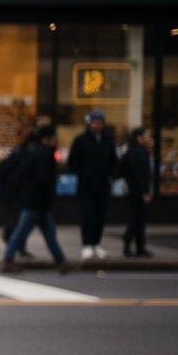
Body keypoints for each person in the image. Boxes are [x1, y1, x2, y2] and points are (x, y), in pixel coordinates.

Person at [0, 126, 67, 272]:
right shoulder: (44, 154)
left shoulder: (33, 152)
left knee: (48, 233)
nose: (56, 141)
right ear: (46, 139)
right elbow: (43, 180)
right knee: (23, 232)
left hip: (34, 201)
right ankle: (7, 260)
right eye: (53, 138)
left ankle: (61, 262)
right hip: (36, 202)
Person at [68, 109, 117, 260]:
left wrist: (111, 175)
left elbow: (113, 160)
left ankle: (96, 244)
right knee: (87, 216)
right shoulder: (81, 140)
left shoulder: (108, 140)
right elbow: (72, 161)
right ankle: (87, 245)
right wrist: (83, 174)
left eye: (99, 122)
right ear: (89, 124)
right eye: (94, 122)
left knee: (100, 216)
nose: (97, 125)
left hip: (103, 186)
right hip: (86, 186)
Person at [0, 134, 32, 258]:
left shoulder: (19, 152)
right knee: (21, 221)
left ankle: (15, 245)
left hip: (15, 192)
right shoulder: (23, 154)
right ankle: (14, 247)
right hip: (16, 193)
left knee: (20, 221)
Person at [119, 127, 153, 257]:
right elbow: (141, 174)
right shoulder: (138, 152)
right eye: (147, 136)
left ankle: (139, 246)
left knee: (139, 218)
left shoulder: (133, 151)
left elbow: (123, 170)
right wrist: (145, 191)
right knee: (137, 218)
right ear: (139, 138)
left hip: (133, 189)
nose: (150, 139)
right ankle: (130, 244)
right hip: (137, 191)